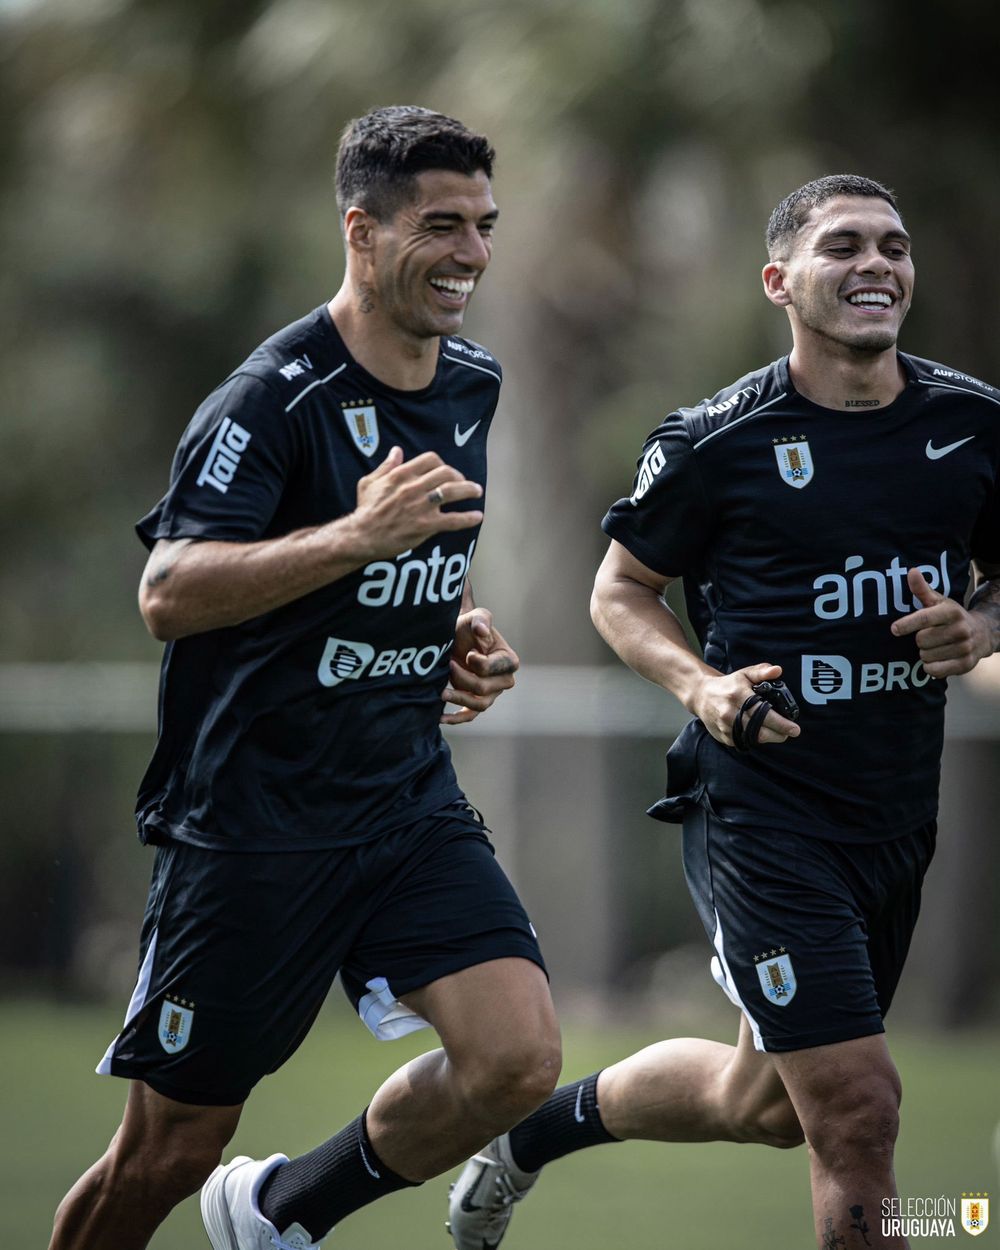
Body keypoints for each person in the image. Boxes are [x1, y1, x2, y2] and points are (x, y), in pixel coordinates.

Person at [446, 174, 1000, 1250]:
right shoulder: (716, 439)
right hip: (759, 812)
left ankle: (526, 1139)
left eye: (894, 244)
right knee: (857, 1107)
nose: (876, 263)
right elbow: (618, 589)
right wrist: (700, 685)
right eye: (842, 246)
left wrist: (979, 627)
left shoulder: (974, 421)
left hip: (890, 812)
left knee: (767, 1109)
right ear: (778, 281)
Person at [48, 105, 562, 1250]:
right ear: (361, 231)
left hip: (401, 798)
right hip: (250, 823)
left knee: (516, 1055)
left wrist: (459, 635)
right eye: (442, 224)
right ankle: (228, 1195)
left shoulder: (470, 381)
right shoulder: (268, 395)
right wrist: (348, 539)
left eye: (485, 225)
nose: (474, 252)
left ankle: (283, 1211)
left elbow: (410, 564)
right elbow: (169, 591)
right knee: (168, 1150)